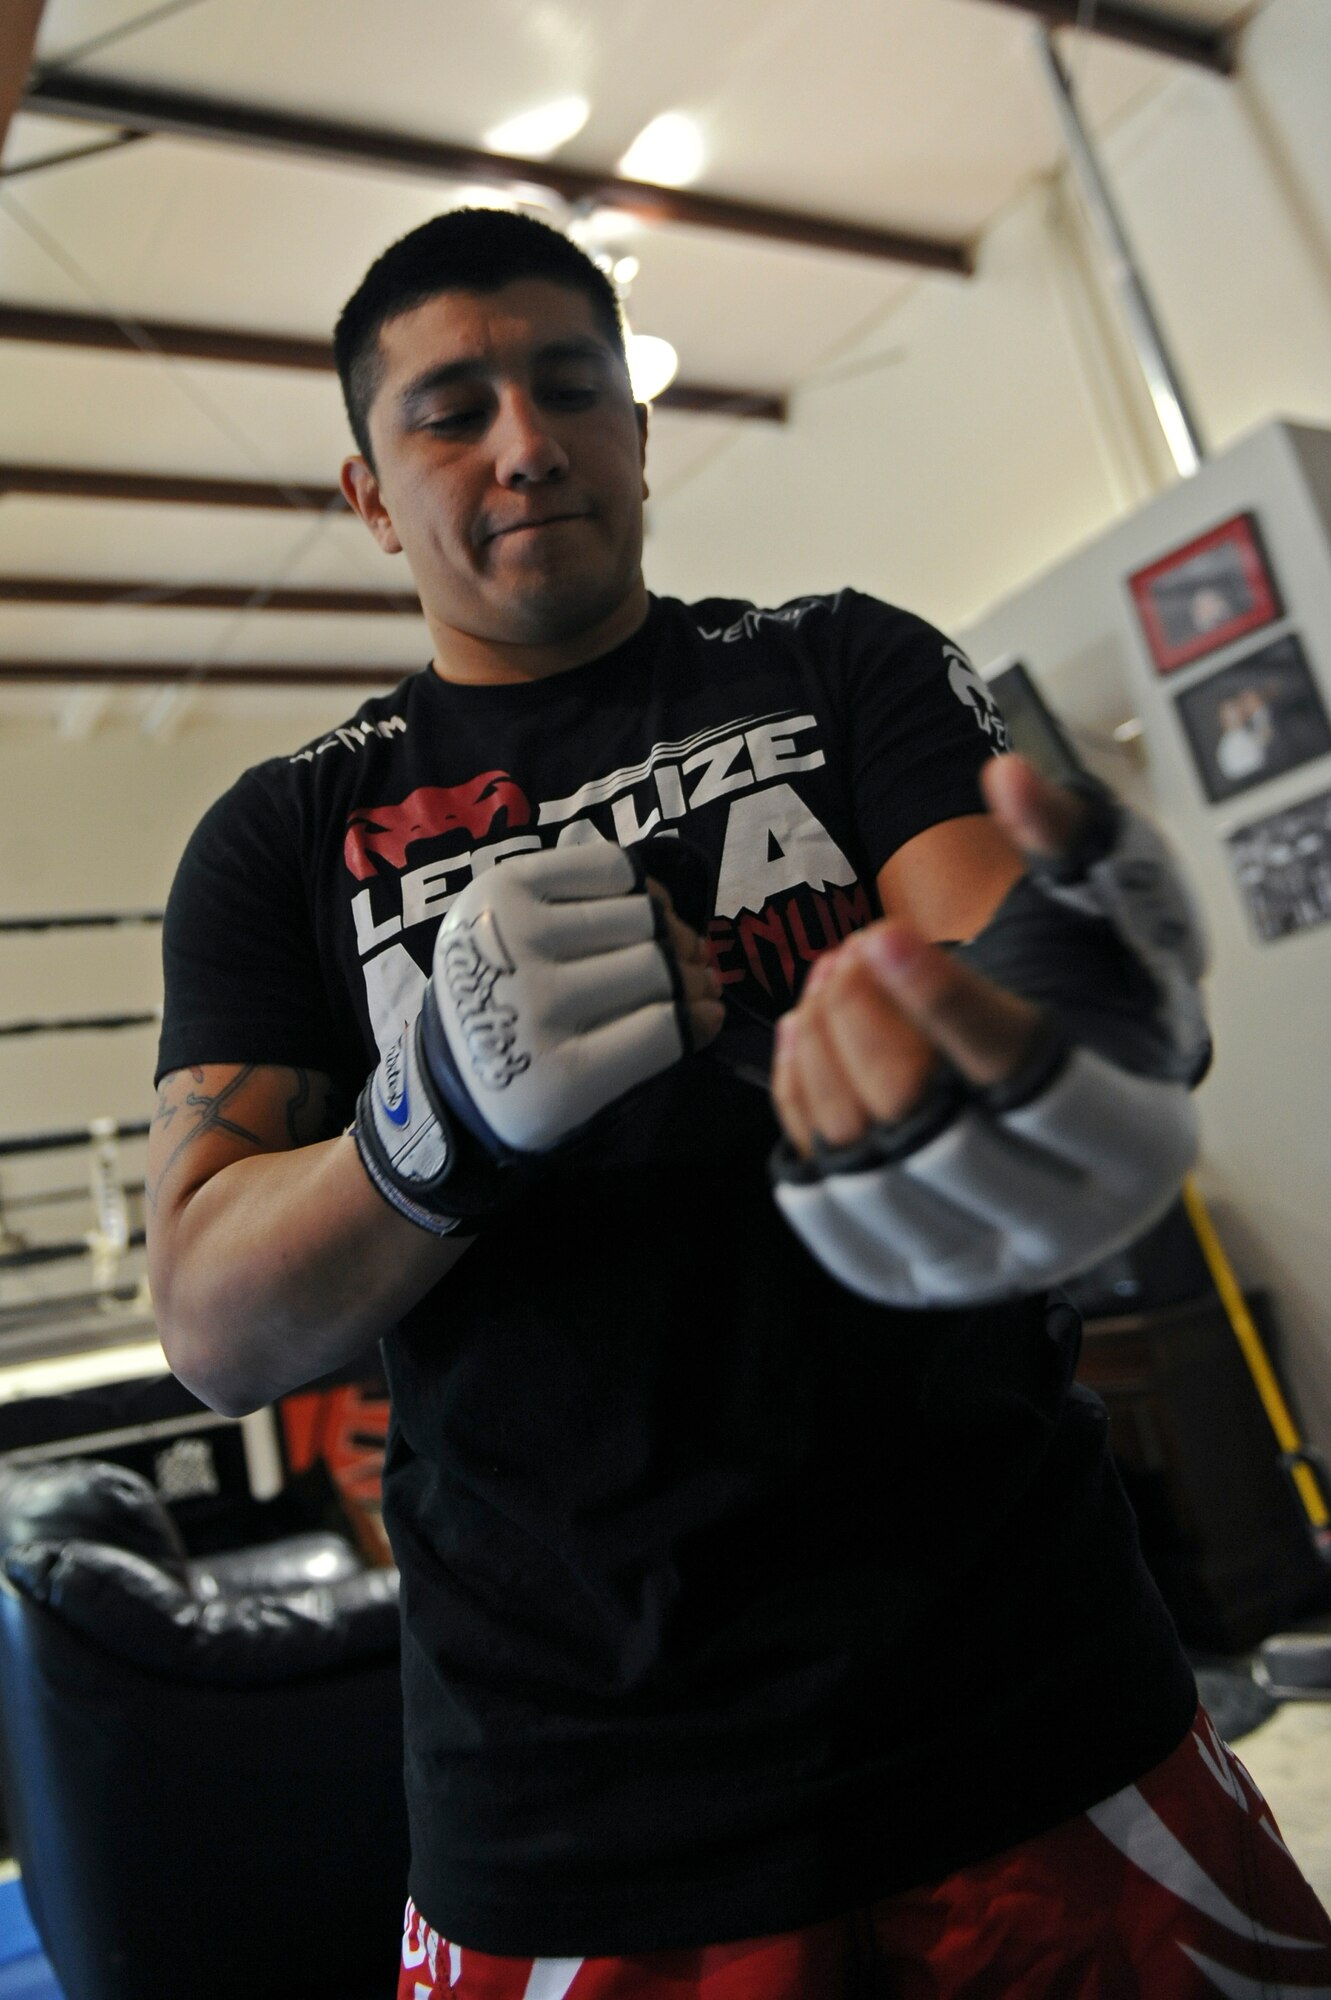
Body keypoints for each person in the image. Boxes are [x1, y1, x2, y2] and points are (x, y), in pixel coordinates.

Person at [147, 209, 1331, 1999]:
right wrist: (434, 1123)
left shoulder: (833, 661)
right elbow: (211, 1318)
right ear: (373, 494)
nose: (526, 441)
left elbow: (984, 940)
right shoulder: (285, 837)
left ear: (635, 427)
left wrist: (1061, 1012)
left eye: (569, 386)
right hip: (572, 1810)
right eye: (451, 410)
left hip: (1030, 1695)